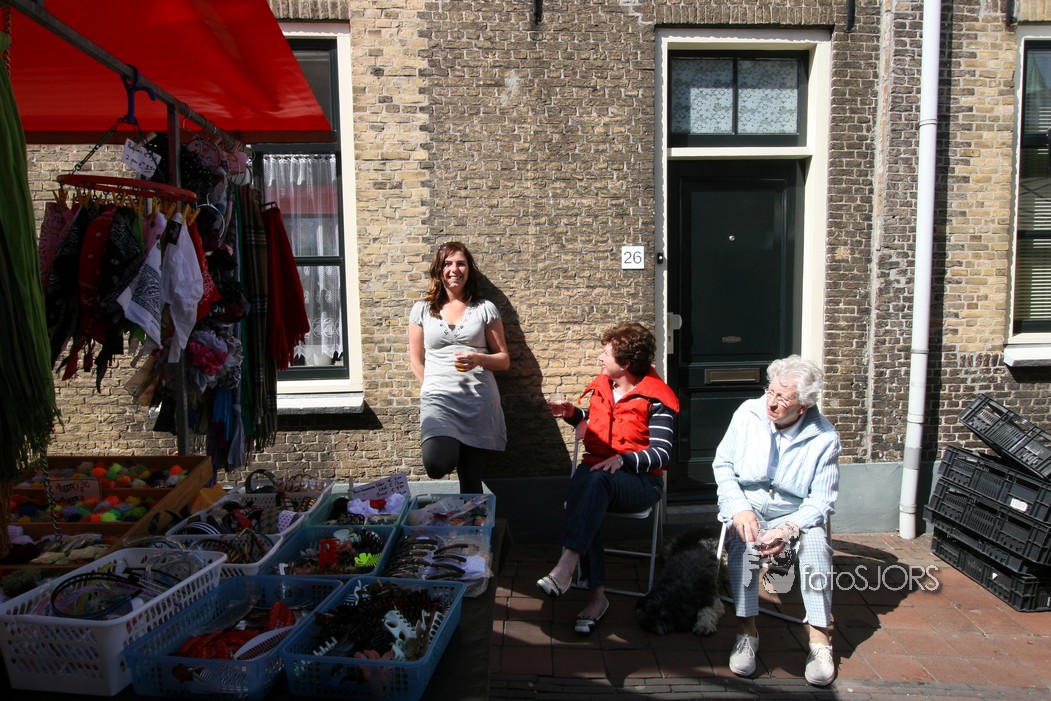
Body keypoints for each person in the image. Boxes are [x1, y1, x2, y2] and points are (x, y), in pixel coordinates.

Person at [538, 322, 679, 636]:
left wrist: (625, 459)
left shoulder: (657, 398)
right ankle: (595, 598)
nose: (600, 358)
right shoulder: (604, 387)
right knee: (591, 489)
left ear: (625, 363)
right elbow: (598, 423)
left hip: (639, 482)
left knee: (591, 487)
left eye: (606, 353)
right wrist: (573, 414)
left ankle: (566, 567)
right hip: (598, 476)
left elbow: (662, 453)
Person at [712, 355, 840, 686]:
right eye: (770, 392)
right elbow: (723, 465)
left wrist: (789, 528)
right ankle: (747, 632)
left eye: (783, 398)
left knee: (816, 545)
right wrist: (739, 508)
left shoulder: (824, 437)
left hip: (794, 512)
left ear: (803, 406)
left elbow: (822, 499)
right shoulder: (747, 413)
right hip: (749, 504)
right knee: (742, 538)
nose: (771, 402)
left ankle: (819, 640)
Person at [408, 242, 510, 494]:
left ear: (468, 269)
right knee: (437, 463)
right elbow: (416, 360)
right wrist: (431, 387)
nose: (454, 269)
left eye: (461, 263)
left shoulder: (484, 309)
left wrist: (479, 359)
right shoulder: (422, 310)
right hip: (439, 399)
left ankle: (472, 519)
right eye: (448, 263)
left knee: (471, 477)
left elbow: (504, 360)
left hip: (477, 399)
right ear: (439, 270)